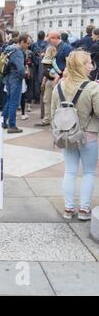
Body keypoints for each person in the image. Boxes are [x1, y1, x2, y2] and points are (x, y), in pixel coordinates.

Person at [51, 51, 99, 221]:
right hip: (89, 134)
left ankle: (68, 208)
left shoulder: (59, 86)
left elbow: (53, 114)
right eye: (89, 62)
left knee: (70, 171)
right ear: (81, 65)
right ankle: (85, 210)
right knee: (88, 172)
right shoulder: (93, 87)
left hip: (67, 135)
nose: (92, 65)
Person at [2, 34, 31, 134]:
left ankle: (3, 121)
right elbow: (21, 69)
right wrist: (26, 73)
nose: (29, 45)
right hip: (16, 78)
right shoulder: (18, 52)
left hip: (8, 77)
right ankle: (12, 125)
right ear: (22, 42)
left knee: (9, 100)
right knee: (14, 102)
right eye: (27, 43)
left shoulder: (9, 48)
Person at [36, 46, 61, 127]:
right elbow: (47, 73)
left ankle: (48, 119)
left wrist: (52, 84)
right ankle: (49, 119)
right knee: (48, 101)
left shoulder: (48, 61)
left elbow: (47, 73)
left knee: (48, 101)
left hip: (50, 81)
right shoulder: (51, 61)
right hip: (50, 81)